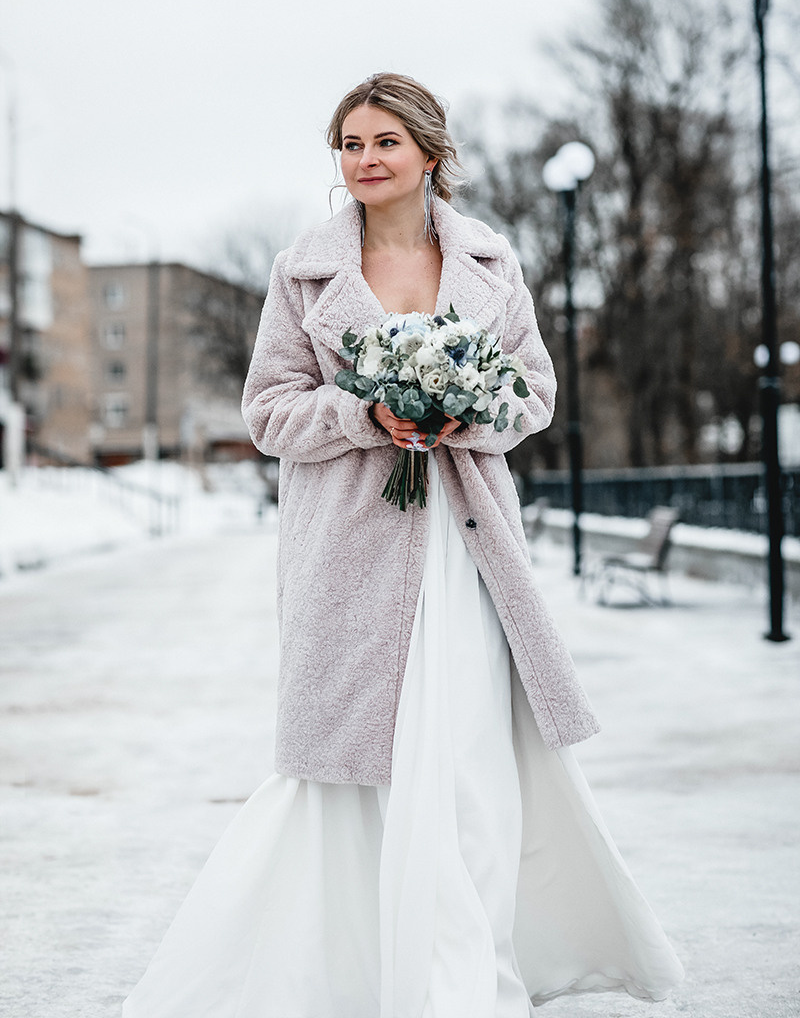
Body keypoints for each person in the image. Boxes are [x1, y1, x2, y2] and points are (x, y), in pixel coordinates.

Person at [122, 73, 684, 1017]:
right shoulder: (301, 274)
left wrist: (459, 412)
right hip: (348, 552)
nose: (364, 161)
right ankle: (351, 969)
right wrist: (364, 410)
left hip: (466, 555)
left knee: (463, 754)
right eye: (349, 145)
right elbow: (266, 413)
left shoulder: (493, 267)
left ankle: (464, 975)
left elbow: (534, 395)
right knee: (354, 761)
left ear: (430, 152)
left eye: (383, 142)